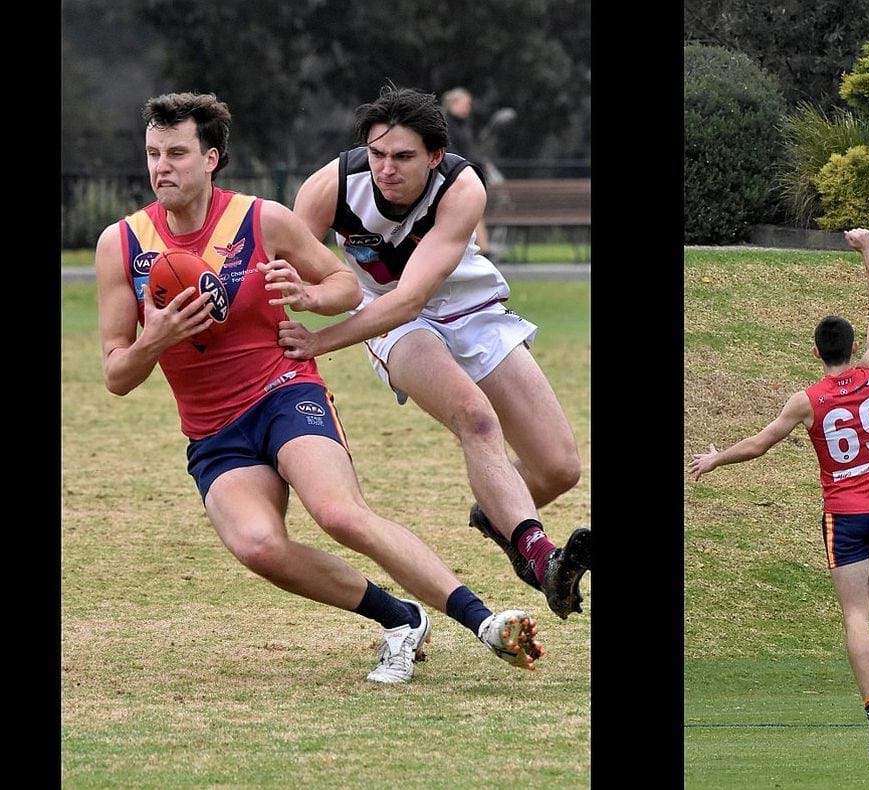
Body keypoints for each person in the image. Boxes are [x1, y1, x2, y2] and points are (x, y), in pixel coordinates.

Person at [95, 92, 544, 684]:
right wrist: (155, 340)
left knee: (338, 513)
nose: (162, 167)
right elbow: (115, 375)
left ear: (211, 158)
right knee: (258, 545)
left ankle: (486, 623)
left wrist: (307, 297)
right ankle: (402, 619)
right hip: (212, 429)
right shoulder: (121, 244)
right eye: (153, 153)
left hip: (283, 390)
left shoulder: (262, 220)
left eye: (177, 152)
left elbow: (341, 284)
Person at [286, 85, 590, 619]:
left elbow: (413, 297)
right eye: (377, 155)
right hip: (385, 323)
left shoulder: (461, 186)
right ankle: (543, 559)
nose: (386, 168)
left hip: (466, 311)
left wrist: (320, 340)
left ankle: (498, 515)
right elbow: (290, 264)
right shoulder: (329, 187)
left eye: (403, 157)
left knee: (559, 466)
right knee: (475, 418)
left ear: (434, 156)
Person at [690, 229, 869, 761]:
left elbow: (761, 444)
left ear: (816, 351)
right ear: (854, 347)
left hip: (847, 518)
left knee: (850, 612)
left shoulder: (807, 400)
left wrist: (716, 457)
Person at [442, 87, 492, 255]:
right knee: (468, 209)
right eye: (465, 104)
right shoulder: (446, 125)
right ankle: (482, 248)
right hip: (455, 174)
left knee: (472, 209)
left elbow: (470, 151)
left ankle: (483, 247)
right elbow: (453, 152)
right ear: (452, 104)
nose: (468, 108)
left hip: (466, 172)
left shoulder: (463, 124)